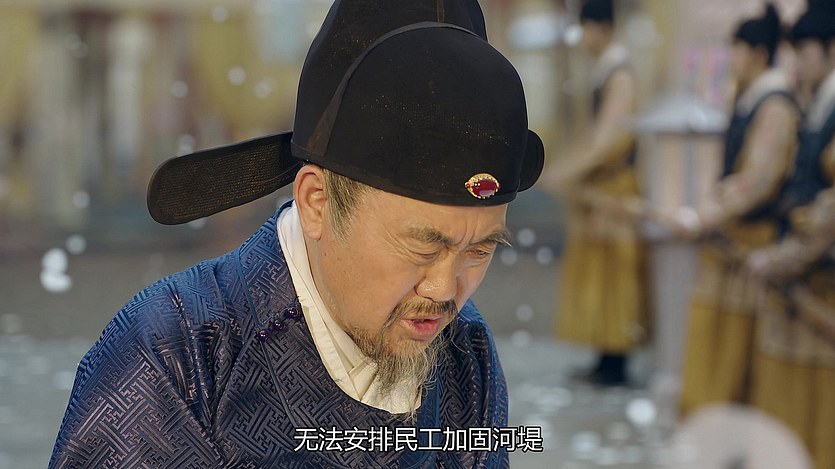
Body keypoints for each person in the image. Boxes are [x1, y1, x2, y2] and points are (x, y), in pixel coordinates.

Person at [49, 1, 545, 467]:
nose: (444, 290)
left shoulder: (466, 351)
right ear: (317, 203)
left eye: (479, 250)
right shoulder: (175, 356)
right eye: (423, 246)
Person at [674, 4, 800, 415]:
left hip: (753, 243)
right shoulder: (749, 98)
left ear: (759, 54)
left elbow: (758, 180)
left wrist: (704, 214)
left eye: (738, 50)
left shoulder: (775, 105)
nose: (731, 60)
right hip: (729, 239)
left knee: (736, 354)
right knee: (715, 345)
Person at [745, 3, 835, 467]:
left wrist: (781, 257)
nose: (797, 63)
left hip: (821, 278)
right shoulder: (813, 104)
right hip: (801, 275)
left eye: (806, 52)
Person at [542, 0, 645, 386]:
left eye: (586, 28)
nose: (583, 38)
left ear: (603, 28)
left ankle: (616, 362)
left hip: (613, 189)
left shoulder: (620, 73)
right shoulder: (606, 71)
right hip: (601, 187)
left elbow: (609, 138)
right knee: (601, 274)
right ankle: (605, 357)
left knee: (614, 275)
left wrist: (569, 171)